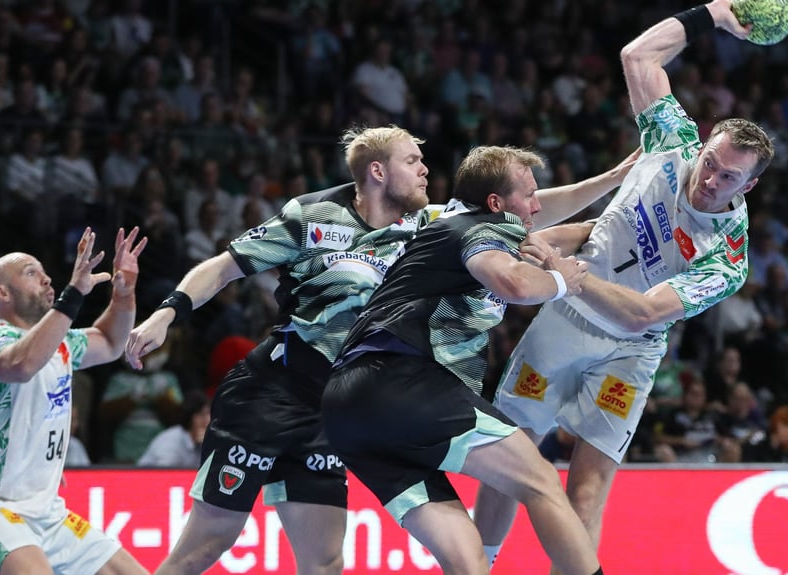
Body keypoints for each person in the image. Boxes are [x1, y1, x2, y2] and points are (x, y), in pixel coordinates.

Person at [125, 126, 629, 575]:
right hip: (274, 393)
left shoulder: (431, 223)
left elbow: (520, 210)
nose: (425, 169)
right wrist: (166, 312)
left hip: (343, 405)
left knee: (325, 563)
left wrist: (617, 177)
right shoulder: (313, 215)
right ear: (378, 170)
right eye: (413, 160)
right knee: (205, 546)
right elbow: (225, 265)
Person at [474, 0, 776, 569]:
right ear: (705, 145)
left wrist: (567, 275)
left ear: (749, 187)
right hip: (563, 324)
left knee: (586, 489)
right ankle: (479, 563)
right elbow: (639, 54)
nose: (709, 179)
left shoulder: (728, 256)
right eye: (711, 162)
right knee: (507, 457)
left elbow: (642, 314)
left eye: (728, 177)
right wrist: (711, 13)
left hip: (629, 350)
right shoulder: (672, 142)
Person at [322, 145, 602, 575]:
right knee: (541, 481)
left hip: (348, 409)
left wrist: (606, 210)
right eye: (529, 195)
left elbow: (542, 236)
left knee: (468, 562)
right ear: (496, 204)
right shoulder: (481, 229)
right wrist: (559, 282)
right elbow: (511, 280)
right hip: (401, 381)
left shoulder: (449, 224)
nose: (538, 205)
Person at [0, 227, 149, 575]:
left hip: (48, 514)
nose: (45, 279)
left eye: (44, 272)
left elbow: (109, 340)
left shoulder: (62, 343)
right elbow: (22, 365)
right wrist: (74, 294)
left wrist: (124, 292)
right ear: (1, 293)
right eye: (31, 273)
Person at [137, 391, 212, 467]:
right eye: (202, 415)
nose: (207, 420)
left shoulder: (204, 441)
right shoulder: (171, 441)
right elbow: (164, 475)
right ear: (189, 417)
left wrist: (208, 446)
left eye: (209, 414)